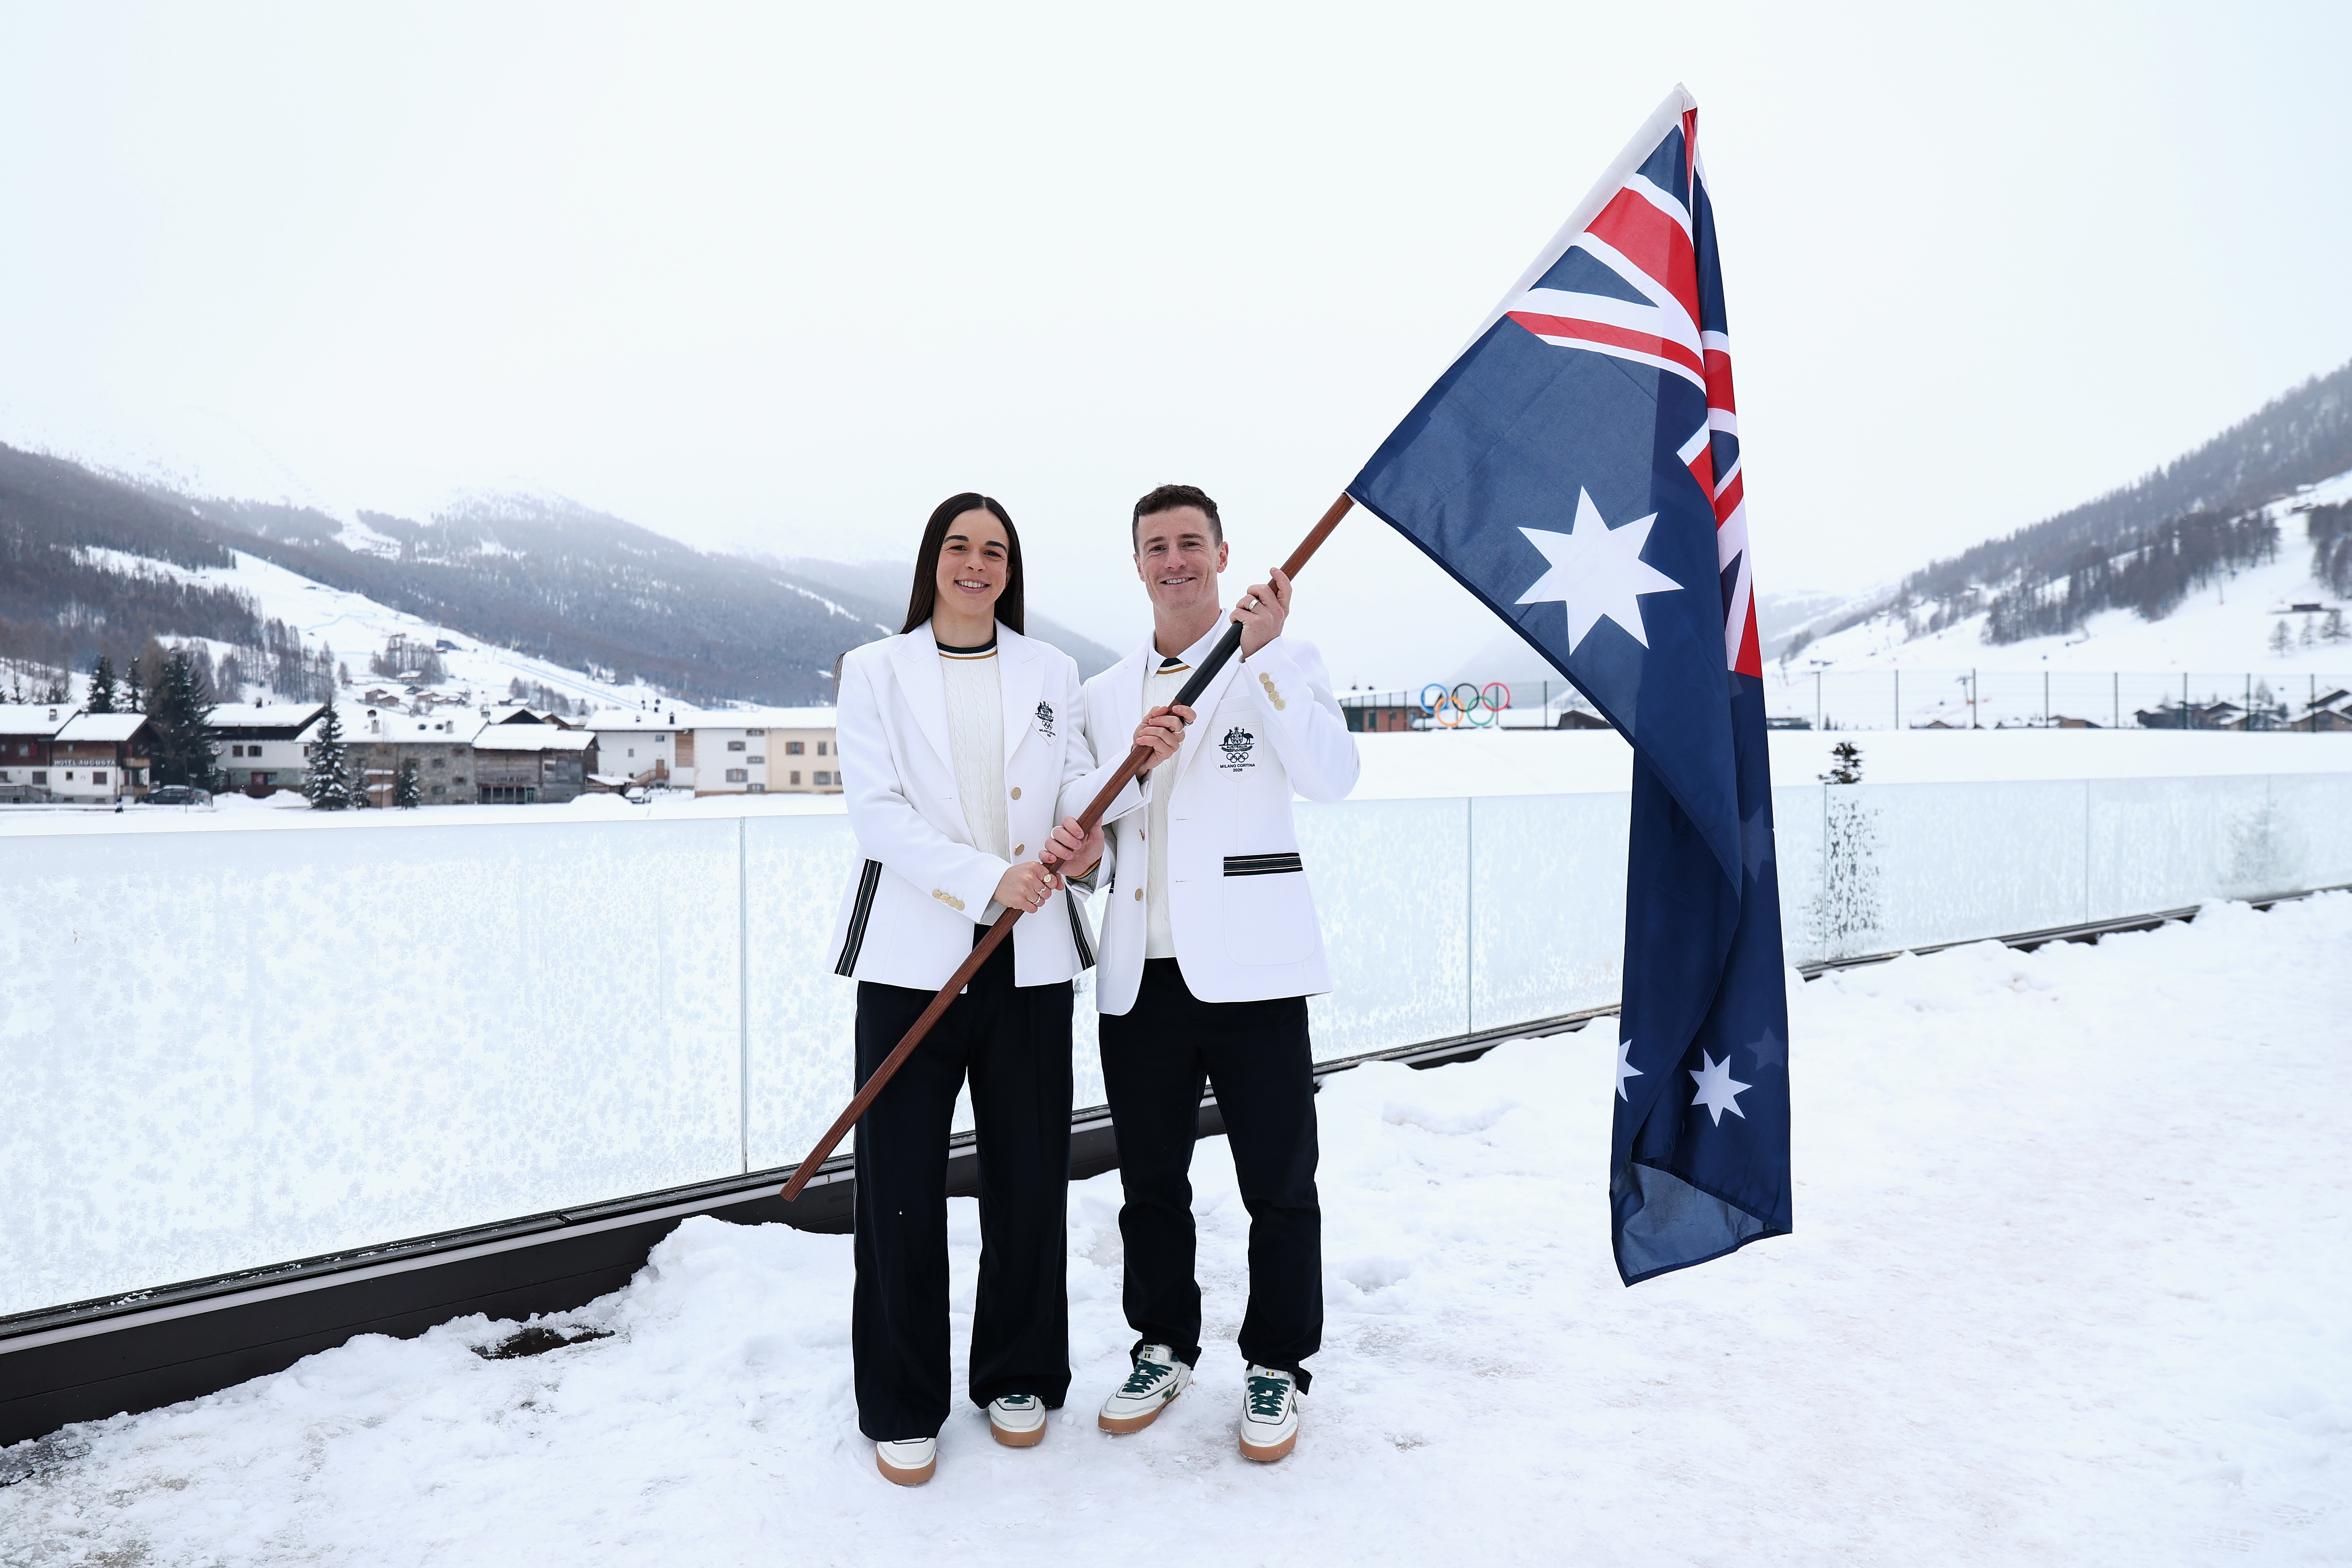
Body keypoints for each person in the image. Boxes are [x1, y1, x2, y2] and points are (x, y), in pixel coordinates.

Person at [826, 491, 1167, 1486]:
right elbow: (877, 816)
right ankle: (902, 1396)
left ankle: (1017, 1369)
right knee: (897, 1185)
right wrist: (988, 880)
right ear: (933, 559)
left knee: (1026, 1173)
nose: (978, 564)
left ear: (1012, 572)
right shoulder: (875, 672)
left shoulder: (1049, 670)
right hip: (912, 966)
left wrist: (1106, 806)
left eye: (996, 552)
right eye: (960, 547)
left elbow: (1069, 792)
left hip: (1027, 964)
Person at [1074, 483, 1361, 1462]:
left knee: (1280, 1181)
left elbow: (1332, 776)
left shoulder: (1277, 663)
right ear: (1139, 563)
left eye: (1191, 543)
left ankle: (1277, 1361)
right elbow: (1097, 838)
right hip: (1138, 977)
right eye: (1156, 545)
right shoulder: (1105, 695)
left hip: (1253, 968)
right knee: (1151, 1182)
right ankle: (1163, 1342)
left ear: (1224, 552)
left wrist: (1270, 654)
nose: (1175, 561)